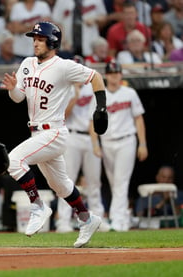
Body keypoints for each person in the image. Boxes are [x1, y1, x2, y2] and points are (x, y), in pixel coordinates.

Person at [1, 21, 108, 248]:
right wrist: (12, 88)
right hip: (37, 132)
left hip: (54, 132)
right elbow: (19, 98)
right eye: (34, 39)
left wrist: (101, 108)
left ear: (53, 41)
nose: (35, 43)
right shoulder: (27, 63)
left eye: (40, 39)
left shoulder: (64, 66)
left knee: (14, 160)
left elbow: (96, 77)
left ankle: (38, 206)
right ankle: (87, 218)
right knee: (60, 186)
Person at [89, 61, 148, 232]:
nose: (114, 76)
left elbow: (139, 118)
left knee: (121, 181)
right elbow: (92, 121)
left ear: (121, 74)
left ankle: (116, 219)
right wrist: (95, 144)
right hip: (107, 142)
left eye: (117, 73)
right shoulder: (101, 95)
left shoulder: (129, 93)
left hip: (127, 140)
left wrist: (142, 143)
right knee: (115, 182)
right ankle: (123, 218)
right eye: (111, 73)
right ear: (106, 75)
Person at [55, 56, 110, 233]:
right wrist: (74, 96)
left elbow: (92, 118)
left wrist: (95, 143)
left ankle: (98, 219)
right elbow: (62, 116)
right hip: (70, 136)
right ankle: (63, 221)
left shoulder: (91, 88)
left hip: (88, 137)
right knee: (67, 179)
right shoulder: (64, 88)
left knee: (94, 181)